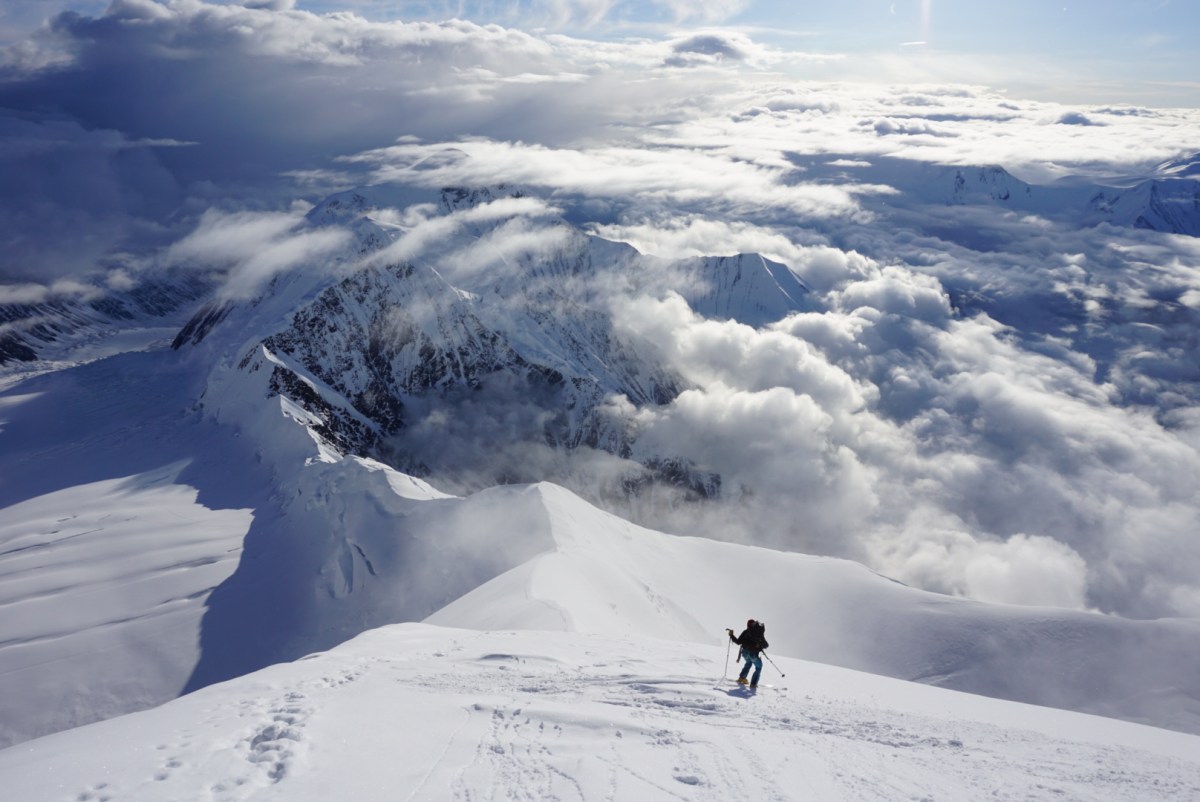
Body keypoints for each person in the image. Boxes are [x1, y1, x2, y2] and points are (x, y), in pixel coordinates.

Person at [726, 619, 768, 688]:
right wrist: (760, 645)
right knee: (758, 667)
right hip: (753, 654)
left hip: (744, 653)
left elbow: (738, 642)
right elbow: (766, 645)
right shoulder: (759, 634)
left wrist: (732, 635)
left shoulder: (746, 632)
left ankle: (742, 678)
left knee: (748, 663)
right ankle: (753, 684)